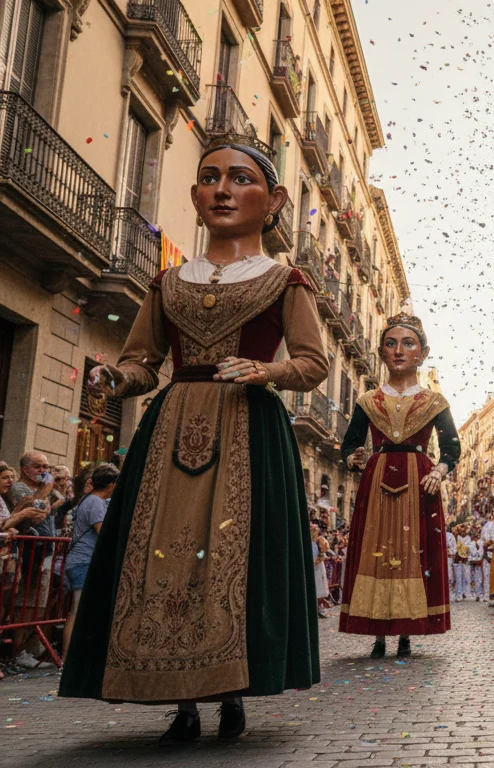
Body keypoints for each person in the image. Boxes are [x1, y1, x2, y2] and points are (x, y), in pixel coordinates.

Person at [62, 138, 327, 744]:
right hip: (172, 426)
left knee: (238, 555)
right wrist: (116, 378)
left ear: (274, 200)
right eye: (210, 178)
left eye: (240, 178)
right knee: (160, 555)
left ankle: (232, 692)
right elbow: (142, 361)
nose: (223, 190)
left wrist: (266, 371)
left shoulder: (286, 281)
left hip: (250, 428)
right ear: (195, 195)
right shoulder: (167, 281)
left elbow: (312, 362)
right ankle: (180, 703)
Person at [339, 313, 460, 659]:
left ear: (422, 354)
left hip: (419, 482)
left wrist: (440, 470)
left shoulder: (435, 402)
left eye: (408, 344)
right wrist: (353, 458)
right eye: (391, 344)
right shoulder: (367, 401)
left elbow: (451, 447)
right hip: (377, 479)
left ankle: (407, 630)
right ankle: (378, 633)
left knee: (412, 552)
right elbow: (350, 444)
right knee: (375, 552)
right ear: (381, 353)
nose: (399, 350)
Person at [61, 464, 118, 660]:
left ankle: (72, 657)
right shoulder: (95, 502)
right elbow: (103, 533)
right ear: (111, 485)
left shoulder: (89, 499)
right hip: (84, 561)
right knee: (77, 611)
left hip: (80, 560)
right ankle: (68, 658)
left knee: (78, 611)